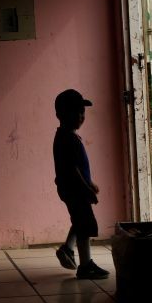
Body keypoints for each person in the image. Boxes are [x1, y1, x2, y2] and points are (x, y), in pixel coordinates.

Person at [52, 89, 110, 279]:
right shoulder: (67, 139)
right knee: (84, 223)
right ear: (60, 114)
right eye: (75, 112)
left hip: (73, 188)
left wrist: (90, 182)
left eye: (82, 112)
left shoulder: (67, 136)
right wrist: (86, 189)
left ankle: (68, 249)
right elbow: (72, 170)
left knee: (80, 220)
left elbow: (78, 168)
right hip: (75, 189)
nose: (80, 116)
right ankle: (85, 265)